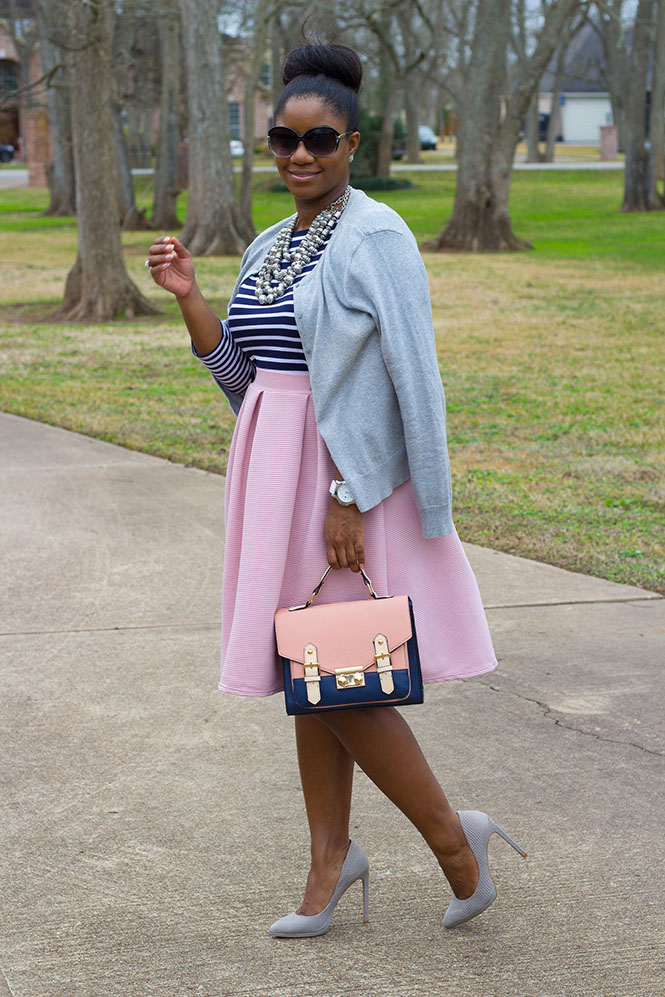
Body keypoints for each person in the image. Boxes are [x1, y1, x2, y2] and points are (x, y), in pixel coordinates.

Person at [146, 42, 526, 936]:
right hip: (273, 477)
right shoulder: (269, 242)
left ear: (352, 142)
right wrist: (192, 299)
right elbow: (249, 386)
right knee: (308, 674)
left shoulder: (376, 235)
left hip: (338, 486)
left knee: (345, 676)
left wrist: (352, 491)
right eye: (283, 140)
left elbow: (412, 380)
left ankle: (455, 844)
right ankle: (330, 860)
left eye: (319, 141)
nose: (299, 156)